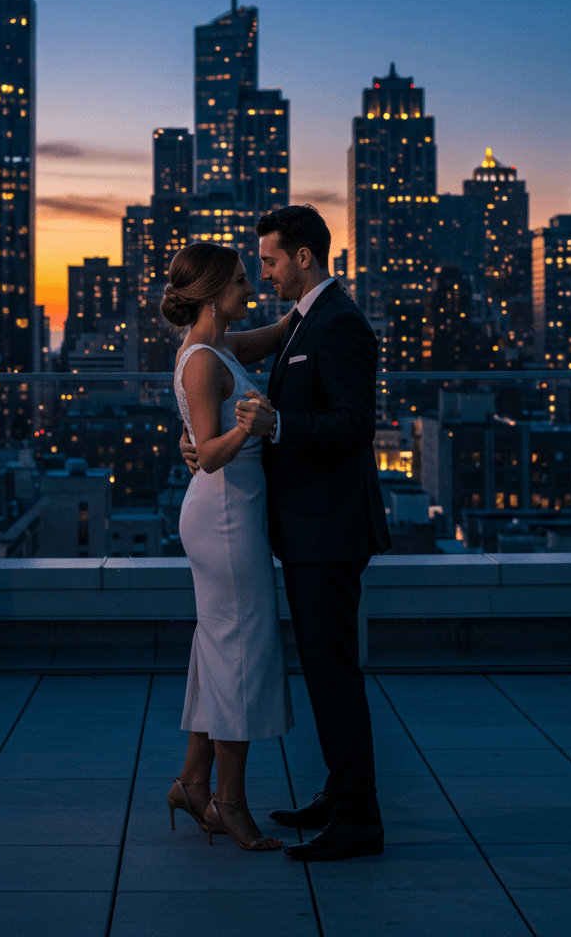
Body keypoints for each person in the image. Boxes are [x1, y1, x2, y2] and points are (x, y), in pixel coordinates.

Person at [183, 205, 391, 863]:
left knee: (334, 676)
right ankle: (339, 793)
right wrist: (211, 443)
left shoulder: (341, 324)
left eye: (269, 260)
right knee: (323, 670)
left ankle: (359, 818)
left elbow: (356, 426)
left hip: (328, 530)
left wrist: (272, 430)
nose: (263, 271)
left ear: (304, 257)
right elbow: (215, 371)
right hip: (301, 527)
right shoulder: (307, 321)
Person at [162, 241, 294, 852]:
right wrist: (249, 423)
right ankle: (229, 803)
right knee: (240, 654)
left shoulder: (220, 347)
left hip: (231, 517)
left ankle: (192, 783)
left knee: (221, 650)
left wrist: (309, 302)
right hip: (223, 518)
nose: (252, 289)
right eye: (242, 282)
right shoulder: (201, 360)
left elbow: (270, 334)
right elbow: (208, 456)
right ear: (214, 293)